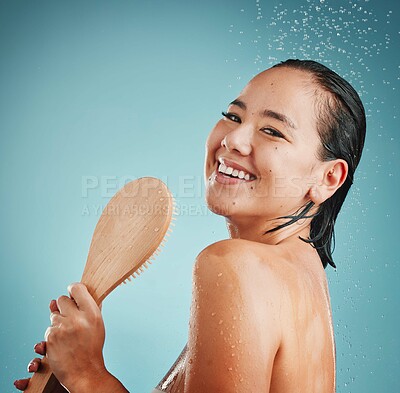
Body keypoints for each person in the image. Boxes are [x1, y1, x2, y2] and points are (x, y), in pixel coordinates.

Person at [15, 59, 366, 393]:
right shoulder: (301, 275)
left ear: (327, 178)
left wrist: (87, 373)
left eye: (272, 131)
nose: (233, 139)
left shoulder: (237, 266)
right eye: (233, 115)